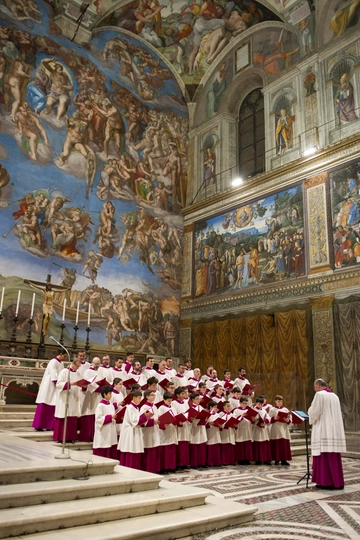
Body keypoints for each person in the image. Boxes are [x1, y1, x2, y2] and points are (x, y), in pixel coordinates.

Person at [308, 379, 346, 490]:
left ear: (318, 386)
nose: (315, 389)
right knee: (333, 456)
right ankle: (337, 482)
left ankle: (326, 482)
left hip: (323, 429)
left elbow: (314, 412)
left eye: (315, 387)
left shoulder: (320, 395)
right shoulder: (335, 396)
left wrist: (309, 413)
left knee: (323, 455)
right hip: (334, 431)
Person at [118, 390, 153, 470]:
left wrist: (144, 419)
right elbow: (134, 420)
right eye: (139, 398)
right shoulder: (130, 407)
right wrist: (145, 416)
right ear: (134, 398)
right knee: (130, 450)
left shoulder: (135, 407)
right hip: (130, 432)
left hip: (135, 430)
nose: (140, 400)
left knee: (135, 449)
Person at [32, 350, 67, 431]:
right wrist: (60, 384)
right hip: (49, 385)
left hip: (57, 386)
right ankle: (39, 425)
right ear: (60, 354)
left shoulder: (61, 363)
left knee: (53, 404)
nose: (65, 358)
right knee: (46, 402)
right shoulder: (53, 362)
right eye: (64, 356)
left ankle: (50, 425)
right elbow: (53, 375)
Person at [53, 356, 82, 443]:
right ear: (72, 363)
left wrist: (83, 386)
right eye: (77, 366)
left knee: (72, 417)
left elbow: (80, 383)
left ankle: (71, 437)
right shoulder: (64, 371)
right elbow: (58, 384)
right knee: (64, 416)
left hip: (74, 398)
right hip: (65, 397)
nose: (78, 368)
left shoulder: (78, 373)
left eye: (79, 366)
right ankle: (61, 438)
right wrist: (69, 384)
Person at [93, 385, 119, 460]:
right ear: (104, 394)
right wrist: (110, 417)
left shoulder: (111, 404)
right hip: (104, 432)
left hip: (111, 430)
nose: (111, 395)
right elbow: (98, 419)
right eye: (110, 394)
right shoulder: (100, 406)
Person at [140, 389, 161, 473]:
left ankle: (155, 469)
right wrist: (153, 421)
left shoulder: (154, 406)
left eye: (154, 395)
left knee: (155, 448)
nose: (154, 396)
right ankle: (148, 469)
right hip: (148, 432)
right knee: (149, 450)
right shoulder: (144, 407)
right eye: (152, 395)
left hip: (155, 430)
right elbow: (142, 420)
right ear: (147, 396)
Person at [158, 391, 178, 473]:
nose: (170, 402)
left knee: (171, 449)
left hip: (172, 429)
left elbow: (175, 417)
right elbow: (159, 419)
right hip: (165, 430)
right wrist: (164, 423)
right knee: (165, 449)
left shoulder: (173, 408)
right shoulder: (161, 408)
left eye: (171, 400)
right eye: (168, 401)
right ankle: (164, 467)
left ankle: (171, 466)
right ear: (164, 400)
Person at [269, 395, 292, 466]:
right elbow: (269, 419)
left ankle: (284, 460)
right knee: (277, 444)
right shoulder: (272, 409)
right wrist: (274, 418)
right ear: (275, 401)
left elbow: (290, 420)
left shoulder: (285, 409)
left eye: (281, 401)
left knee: (283, 445)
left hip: (284, 428)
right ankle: (276, 459)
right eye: (278, 401)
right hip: (276, 428)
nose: (280, 403)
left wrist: (287, 420)